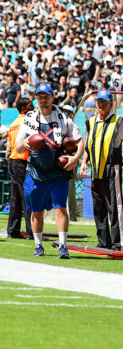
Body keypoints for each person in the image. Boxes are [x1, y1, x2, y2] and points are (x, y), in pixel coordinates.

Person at [15, 84, 83, 259]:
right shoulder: (29, 118)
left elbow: (79, 140)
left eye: (46, 96)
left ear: (53, 97)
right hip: (36, 170)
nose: (43, 99)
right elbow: (18, 147)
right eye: (40, 96)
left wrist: (75, 159)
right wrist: (27, 143)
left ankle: (63, 246)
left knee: (61, 208)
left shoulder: (62, 117)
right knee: (36, 210)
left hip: (58, 170)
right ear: (35, 98)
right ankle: (38, 245)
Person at [80, 89, 122, 251]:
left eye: (104, 102)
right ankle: (103, 241)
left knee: (116, 207)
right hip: (95, 170)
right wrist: (84, 162)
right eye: (98, 101)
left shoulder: (118, 121)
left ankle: (118, 243)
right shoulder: (90, 122)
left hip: (113, 169)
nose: (101, 104)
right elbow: (89, 145)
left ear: (111, 104)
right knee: (99, 208)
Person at [6, 98, 34, 239]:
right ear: (24, 109)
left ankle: (13, 230)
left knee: (15, 197)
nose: (33, 106)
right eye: (30, 105)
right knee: (27, 197)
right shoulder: (26, 122)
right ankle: (32, 232)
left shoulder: (13, 123)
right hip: (22, 161)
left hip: (13, 160)